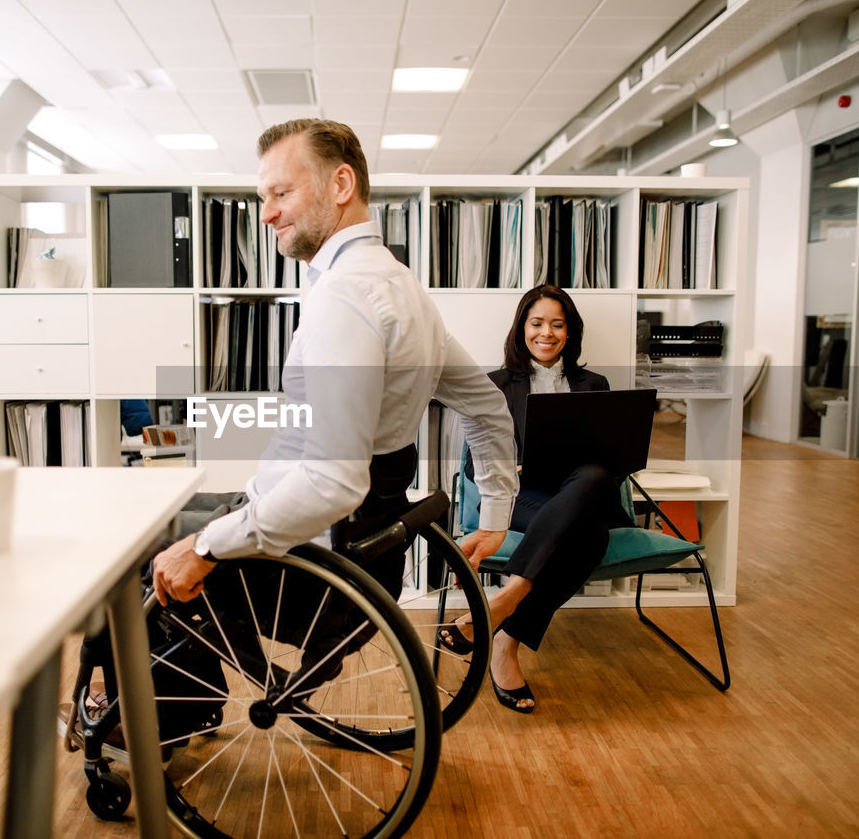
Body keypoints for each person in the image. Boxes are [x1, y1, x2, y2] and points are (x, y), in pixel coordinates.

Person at [150, 118, 517, 648]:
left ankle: (155, 717)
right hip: (355, 549)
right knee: (176, 514)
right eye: (263, 197)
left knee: (141, 543)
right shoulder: (403, 289)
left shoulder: (345, 297)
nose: (268, 212)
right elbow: (489, 411)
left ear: (341, 185)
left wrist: (206, 548)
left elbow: (333, 482)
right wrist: (496, 513)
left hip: (305, 557)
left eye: (282, 192)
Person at [437, 284, 632, 713]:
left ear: (570, 332)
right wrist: (512, 468)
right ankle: (506, 642)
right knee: (591, 538)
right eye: (537, 323)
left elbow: (616, 462)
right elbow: (475, 465)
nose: (547, 333)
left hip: (583, 492)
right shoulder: (496, 384)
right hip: (524, 498)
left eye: (557, 325)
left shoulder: (594, 384)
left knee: (596, 474)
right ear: (522, 328)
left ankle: (507, 601)